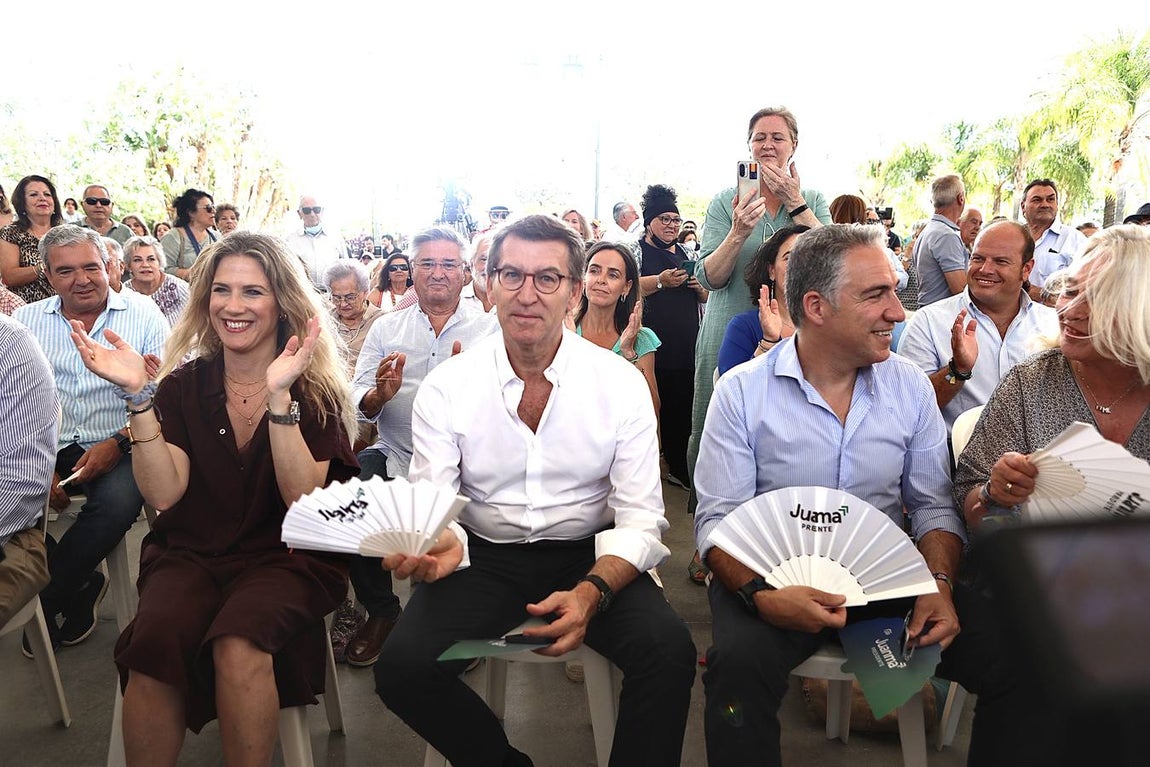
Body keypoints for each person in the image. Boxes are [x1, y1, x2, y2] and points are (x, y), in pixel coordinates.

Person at [374, 214, 696, 767]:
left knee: (669, 652)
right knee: (401, 668)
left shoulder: (619, 384)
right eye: (512, 276)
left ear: (573, 291)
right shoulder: (449, 387)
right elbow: (434, 497)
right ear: (490, 284)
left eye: (547, 278)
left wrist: (592, 591)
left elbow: (641, 519)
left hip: (590, 554)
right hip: (482, 557)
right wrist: (439, 538)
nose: (528, 294)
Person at [70, 230, 358, 764]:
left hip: (288, 556)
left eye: (253, 291)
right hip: (192, 551)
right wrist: (138, 399)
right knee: (153, 642)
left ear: (282, 303)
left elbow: (302, 498)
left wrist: (278, 398)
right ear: (205, 301)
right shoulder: (182, 386)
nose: (233, 306)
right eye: (221, 290)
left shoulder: (312, 392)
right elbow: (163, 492)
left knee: (239, 642)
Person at [693, 224, 965, 766]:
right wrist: (761, 596)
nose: (899, 312)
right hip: (769, 577)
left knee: (1004, 653)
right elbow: (718, 523)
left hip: (882, 577)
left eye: (894, 289)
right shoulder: (743, 392)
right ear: (816, 307)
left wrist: (939, 583)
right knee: (737, 671)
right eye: (876, 295)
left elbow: (934, 504)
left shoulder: (909, 385)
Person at [953, 224, 1150, 766]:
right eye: (1068, 290)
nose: (1070, 307)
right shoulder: (1033, 382)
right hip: (1027, 595)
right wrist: (993, 495)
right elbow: (969, 501)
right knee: (1033, 666)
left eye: (1094, 295)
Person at [348, 226, 499, 668]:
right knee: (353, 491)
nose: (437, 274)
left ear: (466, 273)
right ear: (410, 270)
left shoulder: (490, 330)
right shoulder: (386, 328)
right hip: (397, 452)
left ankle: (462, 623)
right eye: (427, 264)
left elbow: (508, 405)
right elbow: (360, 398)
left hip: (466, 462)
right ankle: (382, 611)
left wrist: (468, 391)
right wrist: (380, 395)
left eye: (448, 264)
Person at [13, 225, 169, 653]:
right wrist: (36, 470)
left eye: (90, 267)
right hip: (48, 443)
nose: (81, 279)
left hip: (126, 438)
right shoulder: (24, 323)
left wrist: (117, 443)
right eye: (65, 271)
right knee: (9, 499)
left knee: (116, 504)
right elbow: (12, 399)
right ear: (46, 274)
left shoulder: (143, 314)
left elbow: (167, 391)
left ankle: (41, 604)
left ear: (108, 266)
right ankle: (81, 582)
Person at [688, 106, 830, 497]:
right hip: (729, 323)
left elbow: (835, 263)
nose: (767, 144)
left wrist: (795, 202)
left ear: (794, 145)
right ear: (748, 146)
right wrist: (738, 232)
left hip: (796, 332)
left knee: (787, 426)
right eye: (759, 138)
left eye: (777, 137)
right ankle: (710, 527)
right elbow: (710, 277)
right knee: (719, 421)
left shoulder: (813, 199)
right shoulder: (725, 201)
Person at [898, 221, 1058, 429]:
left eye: (1000, 261)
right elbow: (910, 409)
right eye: (978, 258)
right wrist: (957, 370)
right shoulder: (929, 322)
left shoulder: (1053, 324)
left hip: (1036, 456)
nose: (985, 269)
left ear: (1026, 269)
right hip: (954, 456)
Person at [637, 184, 706, 490]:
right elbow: (626, 285)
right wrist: (661, 282)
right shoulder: (635, 251)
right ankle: (660, 466)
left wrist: (699, 287)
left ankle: (682, 467)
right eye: (663, 219)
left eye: (675, 220)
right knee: (656, 406)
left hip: (688, 343)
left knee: (685, 408)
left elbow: (707, 294)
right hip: (650, 347)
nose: (670, 225)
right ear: (648, 221)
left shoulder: (688, 252)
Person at [0, 313, 56, 628]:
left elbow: (19, 480)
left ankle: (69, 589)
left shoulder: (9, 344)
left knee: (112, 506)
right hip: (60, 453)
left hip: (9, 537)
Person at [573, 240, 661, 411]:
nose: (601, 280)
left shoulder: (640, 339)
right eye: (594, 271)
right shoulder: (562, 331)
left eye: (613, 275)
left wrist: (629, 353)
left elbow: (652, 408)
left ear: (626, 287)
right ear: (584, 278)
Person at [716, 225, 808, 376]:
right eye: (790, 257)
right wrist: (768, 342)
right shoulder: (744, 326)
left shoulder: (833, 324)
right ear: (772, 271)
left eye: (811, 257)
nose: (801, 265)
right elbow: (731, 391)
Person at [1020, 179, 1087, 306]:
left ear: (1057, 204)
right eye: (1037, 200)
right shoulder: (1012, 237)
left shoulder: (1074, 239)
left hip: (1054, 321)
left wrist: (1042, 294)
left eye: (1050, 199)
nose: (1045, 204)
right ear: (1023, 207)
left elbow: (1086, 288)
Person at [0, 174, 64, 303]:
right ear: (22, 203)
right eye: (34, 194)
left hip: (68, 306)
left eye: (47, 194)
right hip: (28, 310)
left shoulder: (66, 233)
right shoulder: (10, 233)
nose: (42, 198)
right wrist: (43, 267)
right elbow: (9, 277)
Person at [828, 194, 907, 289]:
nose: (873, 224)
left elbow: (904, 279)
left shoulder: (822, 248)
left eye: (877, 221)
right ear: (859, 217)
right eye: (868, 219)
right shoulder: (866, 249)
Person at [915, 174, 969, 307]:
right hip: (942, 318)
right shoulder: (946, 236)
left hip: (930, 312)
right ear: (960, 198)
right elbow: (961, 290)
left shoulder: (928, 231)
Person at [122, 235, 192, 327]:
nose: (145, 265)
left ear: (159, 263)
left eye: (151, 259)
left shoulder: (180, 289)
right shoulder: (124, 293)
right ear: (129, 266)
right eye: (137, 260)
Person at [285, 195, 347, 289]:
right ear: (299, 213)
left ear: (322, 211)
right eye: (307, 210)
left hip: (333, 296)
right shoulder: (290, 241)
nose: (312, 214)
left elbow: (347, 267)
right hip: (304, 296)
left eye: (316, 209)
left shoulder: (335, 238)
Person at [160, 188, 219, 281]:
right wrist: (191, 273)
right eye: (208, 208)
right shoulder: (173, 237)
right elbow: (162, 269)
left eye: (213, 207)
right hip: (184, 292)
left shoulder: (217, 237)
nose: (214, 211)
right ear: (191, 213)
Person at [461, 232, 495, 312]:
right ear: (471, 263)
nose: (489, 268)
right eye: (484, 259)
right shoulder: (455, 300)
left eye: (496, 261)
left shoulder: (514, 300)